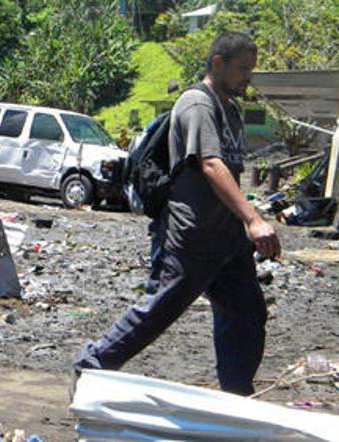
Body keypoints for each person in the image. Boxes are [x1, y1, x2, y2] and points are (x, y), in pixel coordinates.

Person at [73, 32, 281, 396]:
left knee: (246, 311)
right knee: (160, 309)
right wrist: (253, 219)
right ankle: (91, 364)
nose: (248, 77)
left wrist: (244, 218)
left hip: (227, 239)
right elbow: (211, 164)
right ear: (217, 63)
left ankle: (236, 394)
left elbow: (230, 171)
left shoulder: (230, 109)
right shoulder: (197, 104)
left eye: (252, 69)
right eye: (242, 69)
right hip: (193, 235)